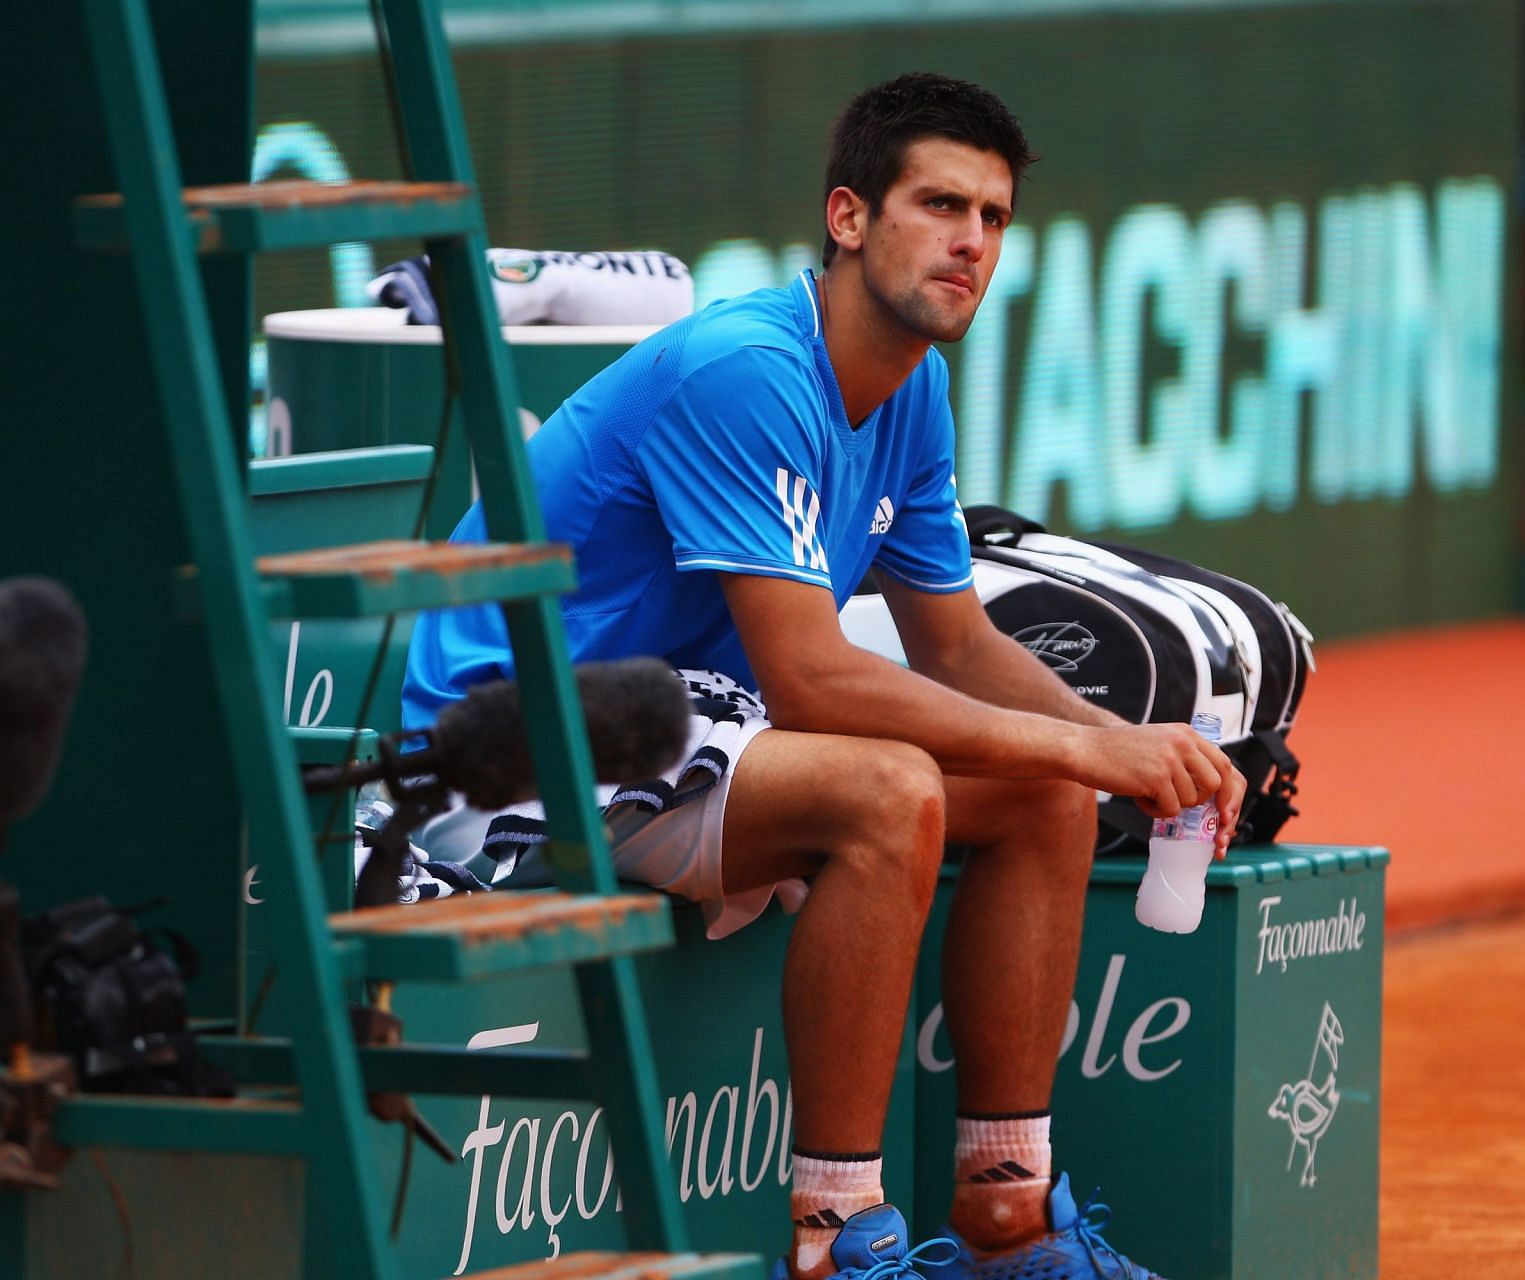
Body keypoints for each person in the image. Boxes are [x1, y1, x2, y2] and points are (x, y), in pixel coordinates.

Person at [403, 72, 1244, 1280]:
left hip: (682, 731)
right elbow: (810, 681)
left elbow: (956, 641)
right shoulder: (748, 368)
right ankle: (839, 1237)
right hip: (518, 740)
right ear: (848, 216)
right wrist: (1082, 742)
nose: (970, 242)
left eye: (995, 219)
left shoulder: (914, 388)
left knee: (1044, 798)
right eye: (941, 204)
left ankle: (1010, 1221)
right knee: (893, 790)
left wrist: (1128, 743)